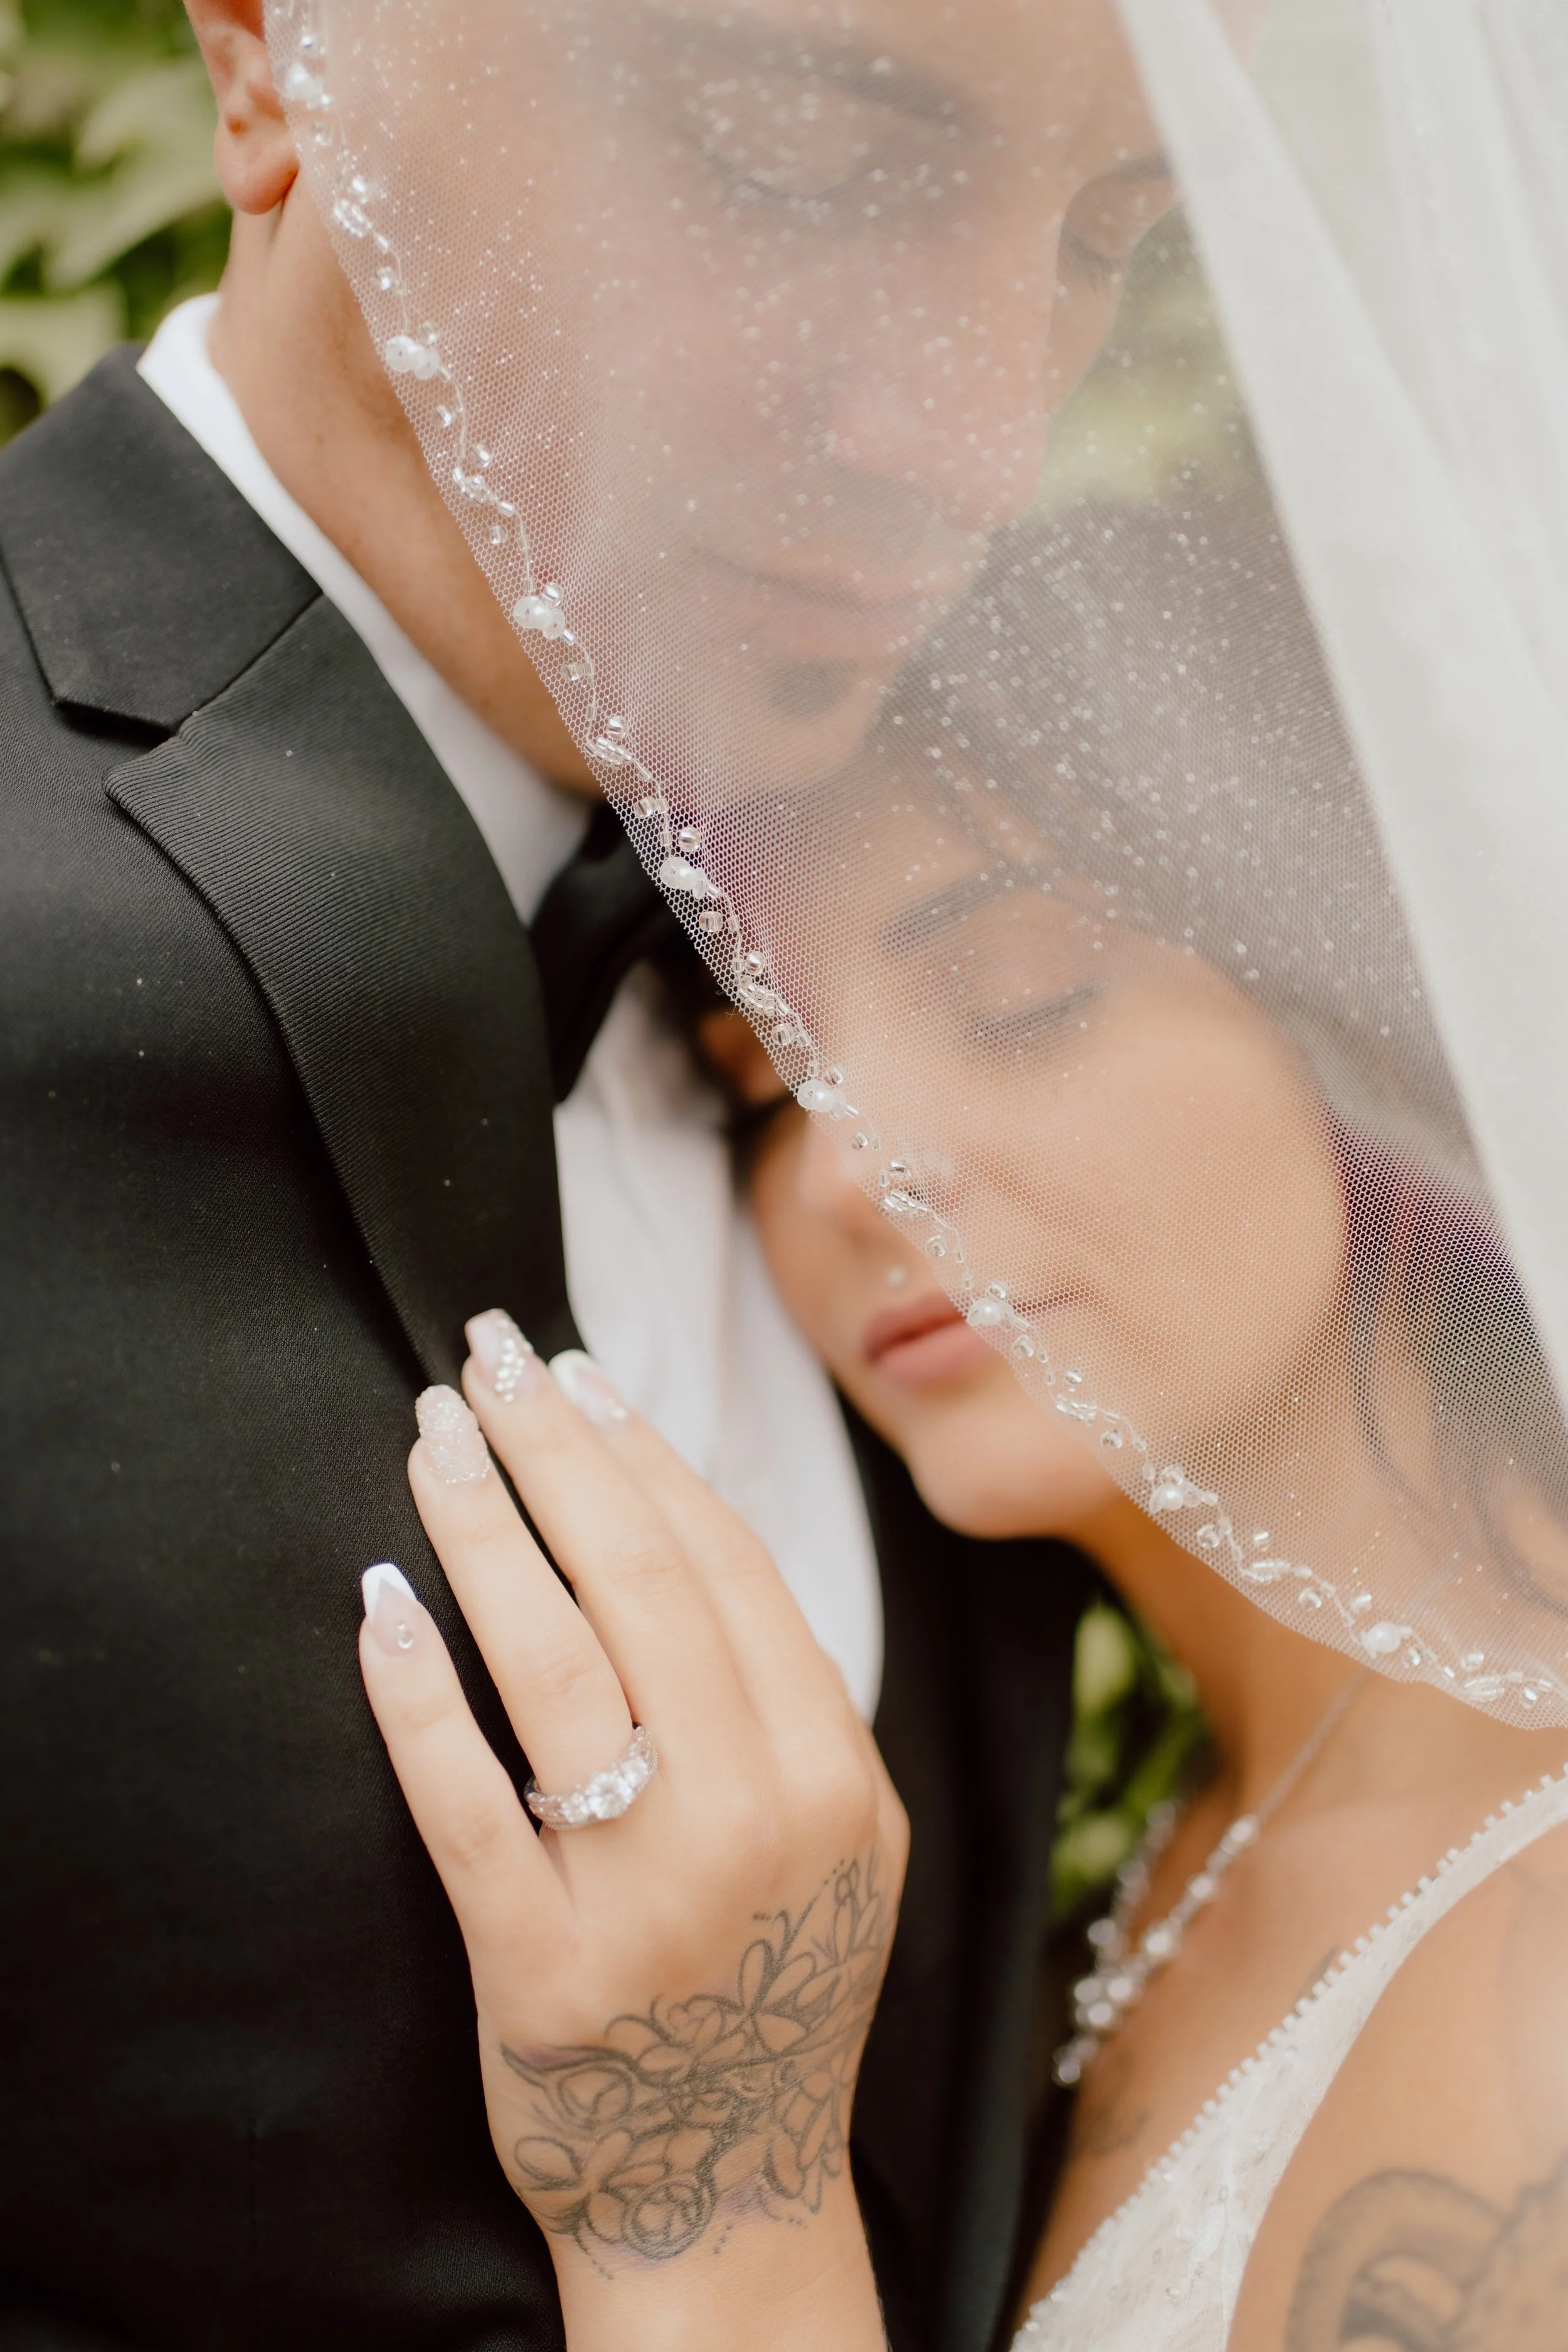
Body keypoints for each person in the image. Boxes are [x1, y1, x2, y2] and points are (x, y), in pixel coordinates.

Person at [283, 0, 1568, 2343]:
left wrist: (723, 2212)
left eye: (1021, 1004)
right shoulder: (1121, 1874)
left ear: (1377, 1010)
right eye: (770, 1098)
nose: (861, 1179)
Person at [0, 2, 1103, 2346]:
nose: (977, 439)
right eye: (806, 160)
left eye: (1110, 242)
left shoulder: (942, 1016)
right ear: (274, 54)